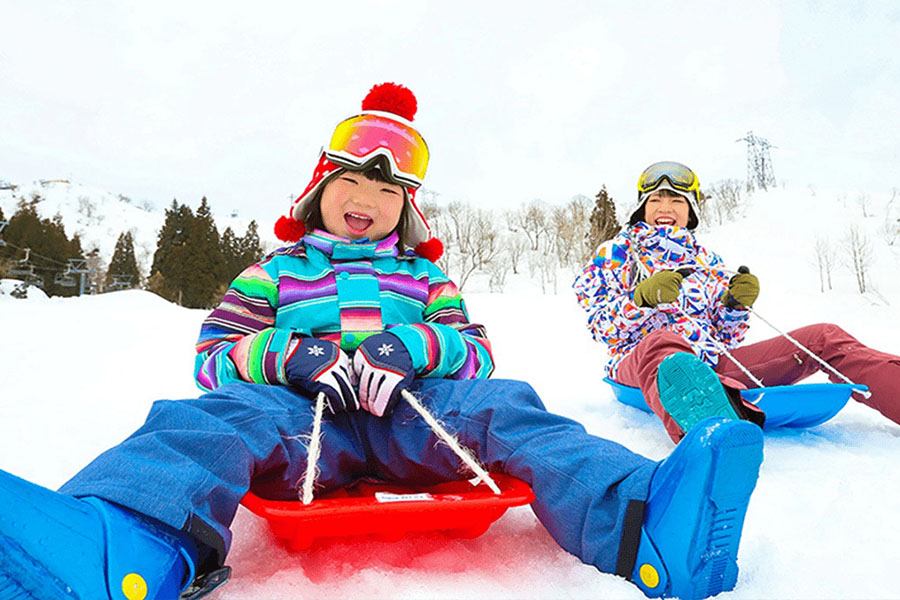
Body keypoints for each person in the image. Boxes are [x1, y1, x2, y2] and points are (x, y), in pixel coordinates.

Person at [0, 87, 764, 600]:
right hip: (300, 426)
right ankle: (122, 545)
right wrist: (286, 357)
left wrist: (411, 350)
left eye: (388, 191)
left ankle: (647, 520)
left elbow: (473, 348)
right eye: (352, 185)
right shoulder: (276, 272)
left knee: (509, 406)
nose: (368, 200)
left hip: (419, 419)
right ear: (318, 191)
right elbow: (214, 350)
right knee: (203, 421)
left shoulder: (424, 279)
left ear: (407, 210)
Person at [573, 160, 900, 443]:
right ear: (643, 207)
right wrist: (640, 299)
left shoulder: (706, 260)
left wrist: (734, 306)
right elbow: (602, 328)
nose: (665, 208)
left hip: (712, 365)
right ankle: (717, 431)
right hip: (640, 364)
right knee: (664, 343)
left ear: (691, 211)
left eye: (676, 200)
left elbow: (725, 338)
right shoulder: (616, 253)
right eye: (656, 199)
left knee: (825, 336)